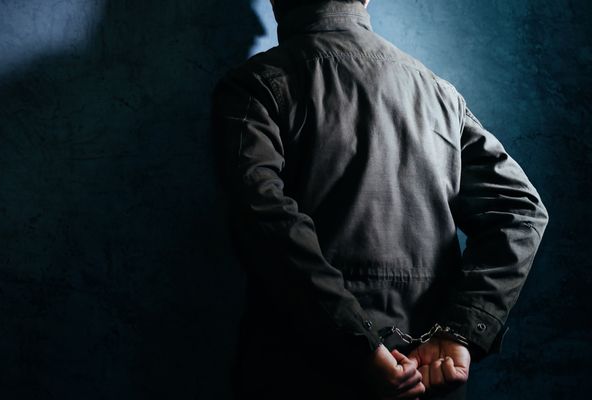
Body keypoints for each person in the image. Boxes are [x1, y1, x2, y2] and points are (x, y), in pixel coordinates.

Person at [210, 0, 550, 399]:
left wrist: (359, 345)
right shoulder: (438, 93)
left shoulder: (257, 86)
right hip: (428, 376)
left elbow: (264, 220)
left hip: (301, 374)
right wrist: (459, 331)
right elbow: (520, 211)